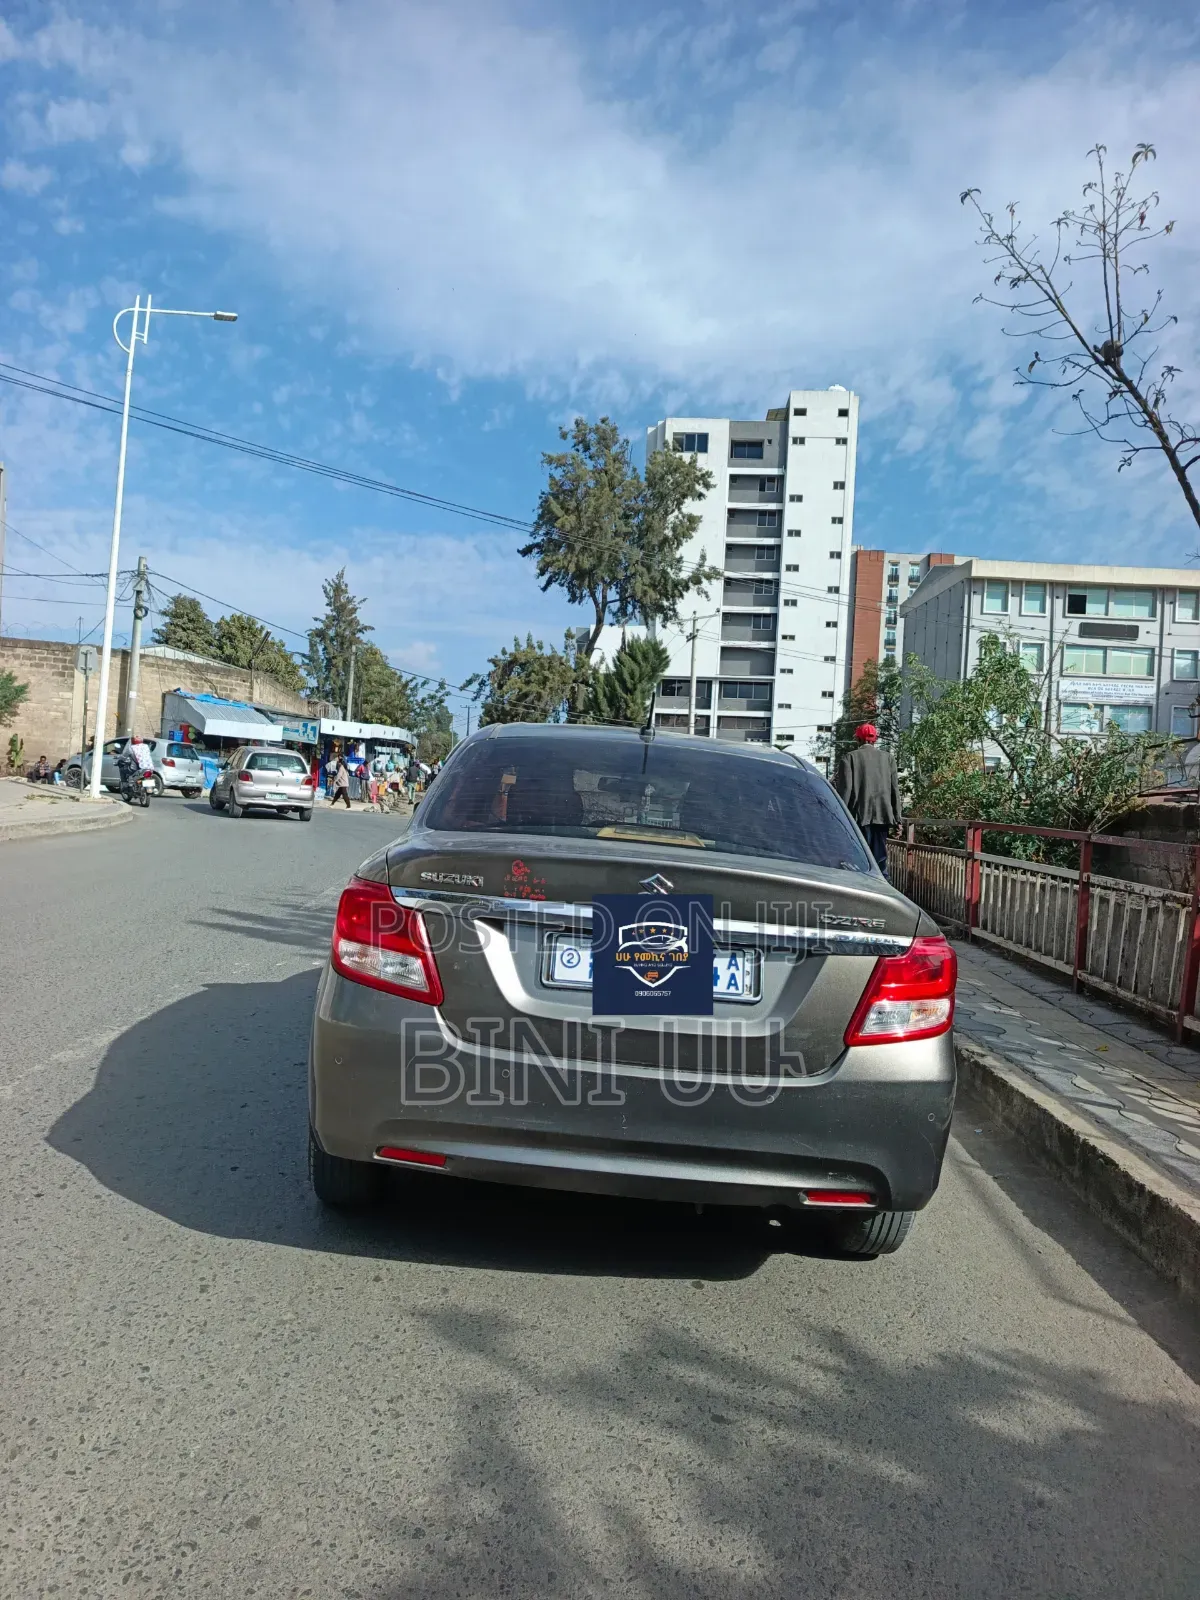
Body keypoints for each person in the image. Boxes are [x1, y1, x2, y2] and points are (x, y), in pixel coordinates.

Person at [835, 723, 901, 878]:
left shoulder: (849, 758)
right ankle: (883, 891)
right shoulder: (888, 759)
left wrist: (839, 818)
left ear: (858, 738)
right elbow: (894, 790)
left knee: (859, 862)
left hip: (858, 818)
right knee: (879, 861)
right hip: (882, 817)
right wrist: (898, 819)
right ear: (875, 739)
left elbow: (845, 791)